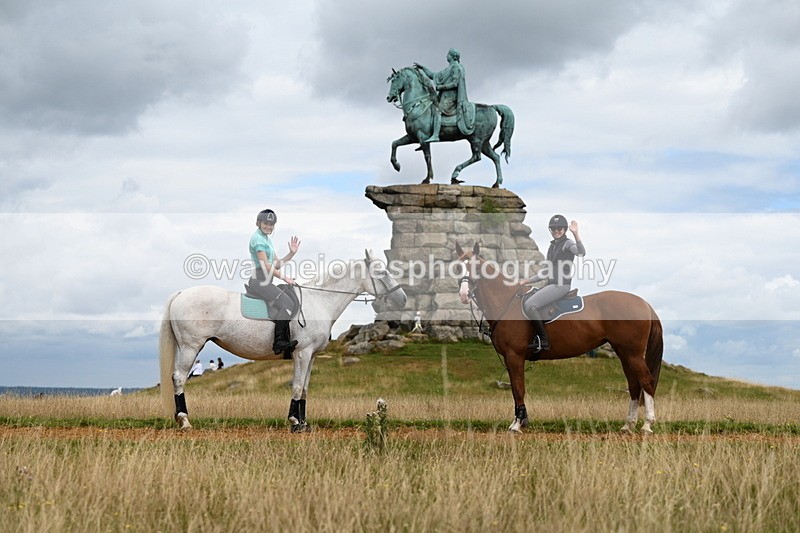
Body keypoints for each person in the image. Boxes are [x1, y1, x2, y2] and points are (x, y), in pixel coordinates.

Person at [518, 215, 585, 354]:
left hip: (561, 286)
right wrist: (526, 281)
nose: (556, 231)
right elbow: (545, 272)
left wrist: (576, 234)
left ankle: (544, 341)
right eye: (553, 228)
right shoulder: (551, 246)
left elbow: (581, 253)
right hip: (551, 284)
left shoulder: (568, 243)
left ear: (564, 229)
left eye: (559, 228)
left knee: (530, 305)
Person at [247, 208, 301, 358]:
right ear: (258, 223)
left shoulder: (267, 240)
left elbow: (276, 264)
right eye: (265, 223)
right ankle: (279, 343)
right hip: (260, 280)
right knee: (287, 303)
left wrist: (291, 253)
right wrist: (285, 278)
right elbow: (266, 266)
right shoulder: (257, 239)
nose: (268, 227)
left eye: (271, 225)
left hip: (266, 279)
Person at [414, 48, 472, 142]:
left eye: (448, 54)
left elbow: (455, 83)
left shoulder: (457, 68)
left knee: (437, 110)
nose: (446, 56)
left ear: (452, 56)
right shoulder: (448, 69)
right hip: (444, 96)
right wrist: (422, 68)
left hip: (451, 97)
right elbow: (433, 75)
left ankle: (436, 135)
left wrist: (441, 87)